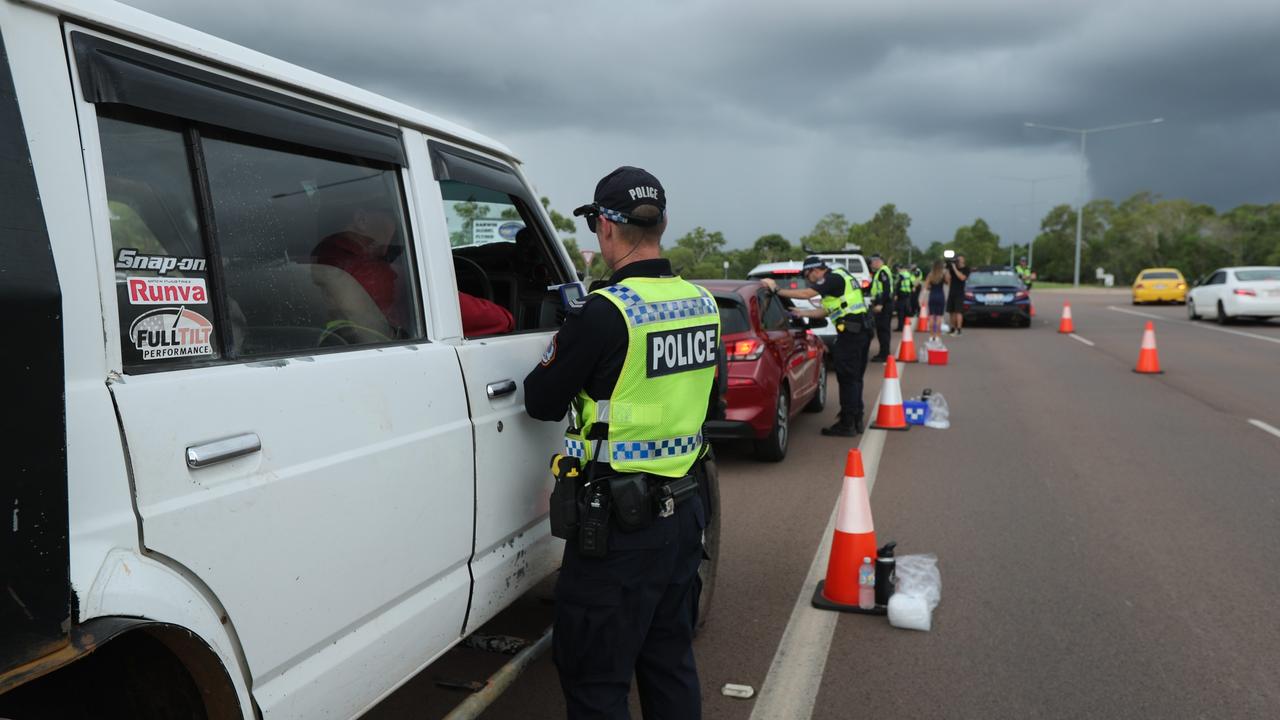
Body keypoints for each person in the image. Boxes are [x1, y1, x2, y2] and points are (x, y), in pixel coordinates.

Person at [523, 166, 715, 719]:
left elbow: (541, 400)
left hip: (619, 528)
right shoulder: (702, 304)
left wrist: (570, 339)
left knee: (595, 679)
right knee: (669, 659)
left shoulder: (605, 313)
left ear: (607, 228)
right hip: (684, 510)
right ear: (661, 225)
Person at [314, 202, 514, 337]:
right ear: (362, 219)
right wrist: (508, 317)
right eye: (394, 214)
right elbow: (493, 319)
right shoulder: (381, 274)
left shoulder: (318, 260)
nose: (398, 226)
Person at [763, 256, 871, 436]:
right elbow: (827, 310)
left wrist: (777, 289)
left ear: (814, 270)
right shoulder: (840, 277)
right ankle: (855, 419)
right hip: (860, 332)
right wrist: (802, 313)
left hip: (852, 335)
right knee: (854, 379)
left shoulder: (832, 279)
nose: (807, 279)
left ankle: (847, 424)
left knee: (847, 379)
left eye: (806, 275)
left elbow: (807, 294)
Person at [867, 254, 895, 360]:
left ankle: (884, 355)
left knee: (883, 330)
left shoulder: (882, 272)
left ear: (878, 261)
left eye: (873, 262)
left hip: (884, 305)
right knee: (882, 330)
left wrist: (880, 304)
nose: (871, 264)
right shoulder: (880, 271)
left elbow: (886, 289)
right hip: (884, 303)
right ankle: (883, 353)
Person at [923, 260, 949, 343]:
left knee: (931, 317)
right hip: (940, 295)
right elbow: (948, 282)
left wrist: (931, 288)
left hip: (932, 296)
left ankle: (931, 336)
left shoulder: (930, 275)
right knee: (939, 317)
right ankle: (937, 336)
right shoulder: (943, 274)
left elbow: (926, 287)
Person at [946, 253, 969, 336]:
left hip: (960, 293)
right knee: (951, 311)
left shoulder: (966, 269)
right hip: (952, 292)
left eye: (959, 259)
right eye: (957, 259)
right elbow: (947, 279)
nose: (958, 261)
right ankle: (952, 328)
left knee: (958, 311)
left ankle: (959, 329)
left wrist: (955, 269)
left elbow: (962, 278)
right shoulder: (952, 269)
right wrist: (949, 269)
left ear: (963, 260)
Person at [894, 263, 916, 331]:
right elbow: (911, 283)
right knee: (906, 310)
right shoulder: (908, 274)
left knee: (900, 311)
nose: (897, 271)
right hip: (907, 294)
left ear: (899, 268)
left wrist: (896, 294)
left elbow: (898, 285)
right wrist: (912, 288)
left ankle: (900, 327)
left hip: (901, 294)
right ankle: (907, 324)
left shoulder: (901, 275)